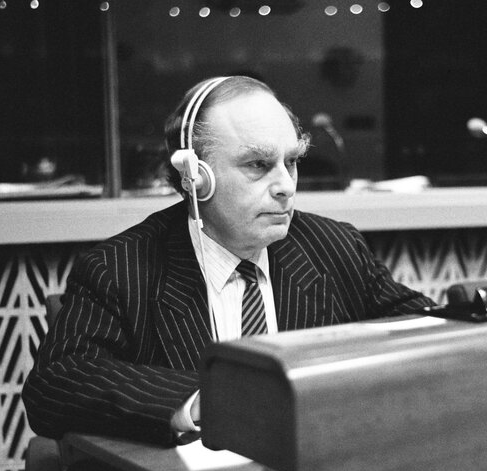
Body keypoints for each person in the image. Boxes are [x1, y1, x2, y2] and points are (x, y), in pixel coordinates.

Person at [22, 76, 435, 447]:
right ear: (195, 177)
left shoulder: (333, 245)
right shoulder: (120, 267)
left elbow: (426, 327)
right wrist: (217, 399)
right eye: (259, 165)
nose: (286, 187)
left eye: (290, 162)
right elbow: (56, 382)